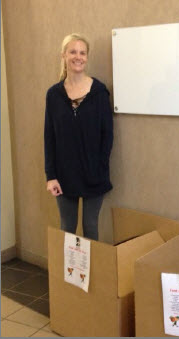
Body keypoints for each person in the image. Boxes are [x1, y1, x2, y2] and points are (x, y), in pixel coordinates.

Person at [44, 33, 113, 241]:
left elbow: (107, 135)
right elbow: (49, 136)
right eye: (73, 51)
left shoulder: (99, 92)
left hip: (94, 174)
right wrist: (51, 175)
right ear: (64, 55)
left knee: (90, 227)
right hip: (64, 175)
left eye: (82, 52)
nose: (78, 56)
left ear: (87, 57)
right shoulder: (54, 95)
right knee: (67, 227)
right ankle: (69, 275)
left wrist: (100, 167)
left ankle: (92, 275)